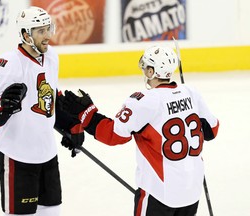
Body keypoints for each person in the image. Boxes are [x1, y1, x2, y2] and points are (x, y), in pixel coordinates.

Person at [59, 45, 220, 216]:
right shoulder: (191, 92)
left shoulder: (144, 101)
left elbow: (113, 135)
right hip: (191, 193)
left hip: (159, 194)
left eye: (146, 68)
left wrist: (86, 112)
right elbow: (212, 131)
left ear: (152, 72)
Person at [0, 6, 84, 216]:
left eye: (48, 29)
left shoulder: (52, 57)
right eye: (41, 31)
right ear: (25, 34)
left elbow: (50, 101)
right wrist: (3, 105)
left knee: (53, 212)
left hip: (47, 154)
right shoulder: (10, 62)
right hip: (16, 155)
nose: (48, 36)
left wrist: (71, 124)